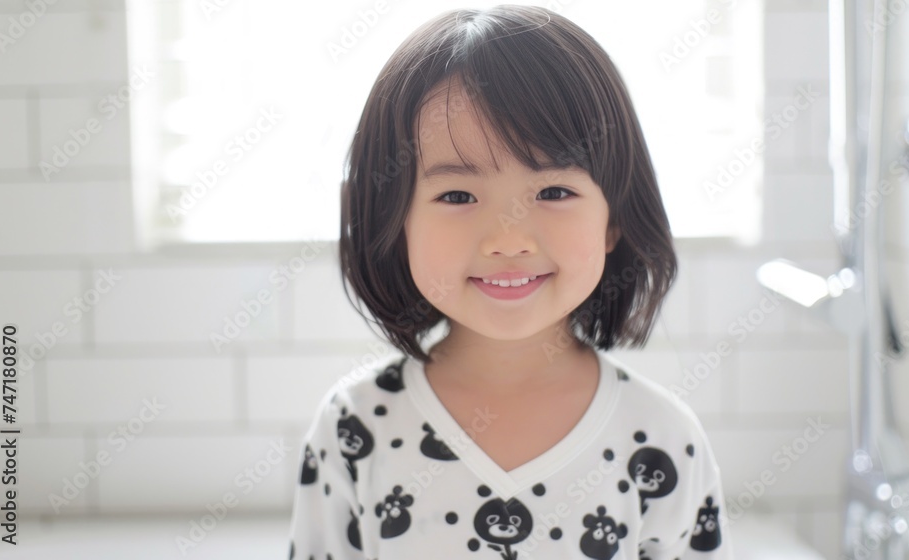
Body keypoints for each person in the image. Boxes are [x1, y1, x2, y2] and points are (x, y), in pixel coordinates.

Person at [288, 5, 732, 559]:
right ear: (394, 221)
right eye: (456, 196)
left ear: (614, 217)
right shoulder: (355, 428)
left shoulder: (663, 441)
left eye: (553, 193)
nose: (508, 239)